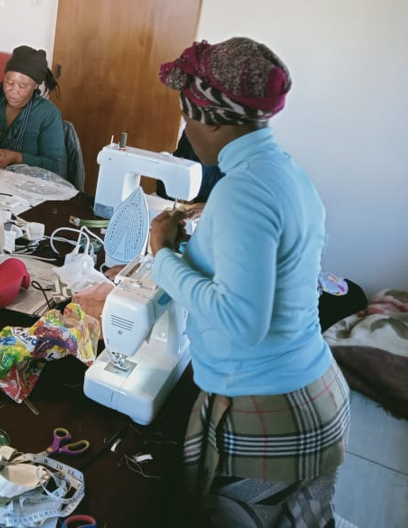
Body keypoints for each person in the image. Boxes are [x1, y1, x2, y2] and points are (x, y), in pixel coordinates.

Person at [149, 38, 350, 527]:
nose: (186, 130)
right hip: (309, 391)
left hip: (271, 411)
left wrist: (161, 256)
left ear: (212, 118)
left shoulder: (242, 191)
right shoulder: (284, 173)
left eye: (186, 116)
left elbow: (242, 321)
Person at [0, 45, 64, 174]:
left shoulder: (48, 113)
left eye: (23, 86)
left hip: (26, 186)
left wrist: (16, 157)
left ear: (36, 85)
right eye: (9, 82)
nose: (13, 91)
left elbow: (53, 165)